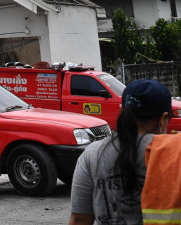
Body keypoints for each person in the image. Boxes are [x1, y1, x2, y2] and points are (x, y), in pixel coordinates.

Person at [68, 78, 172, 225]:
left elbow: (80, 220)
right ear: (163, 119)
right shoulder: (175, 154)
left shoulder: (92, 154)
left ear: (121, 110)